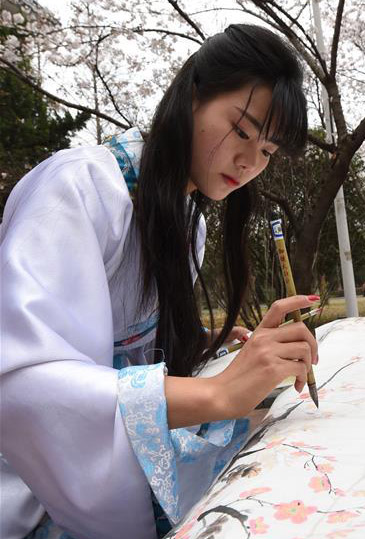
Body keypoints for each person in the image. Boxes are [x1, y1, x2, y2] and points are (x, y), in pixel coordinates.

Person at [0, 25, 317, 538]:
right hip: (28, 487)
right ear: (193, 95)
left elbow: (136, 355)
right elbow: (20, 382)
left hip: (104, 469)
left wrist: (219, 353)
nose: (249, 163)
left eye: (267, 152)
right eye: (241, 130)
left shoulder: (187, 223)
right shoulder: (79, 186)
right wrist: (216, 395)